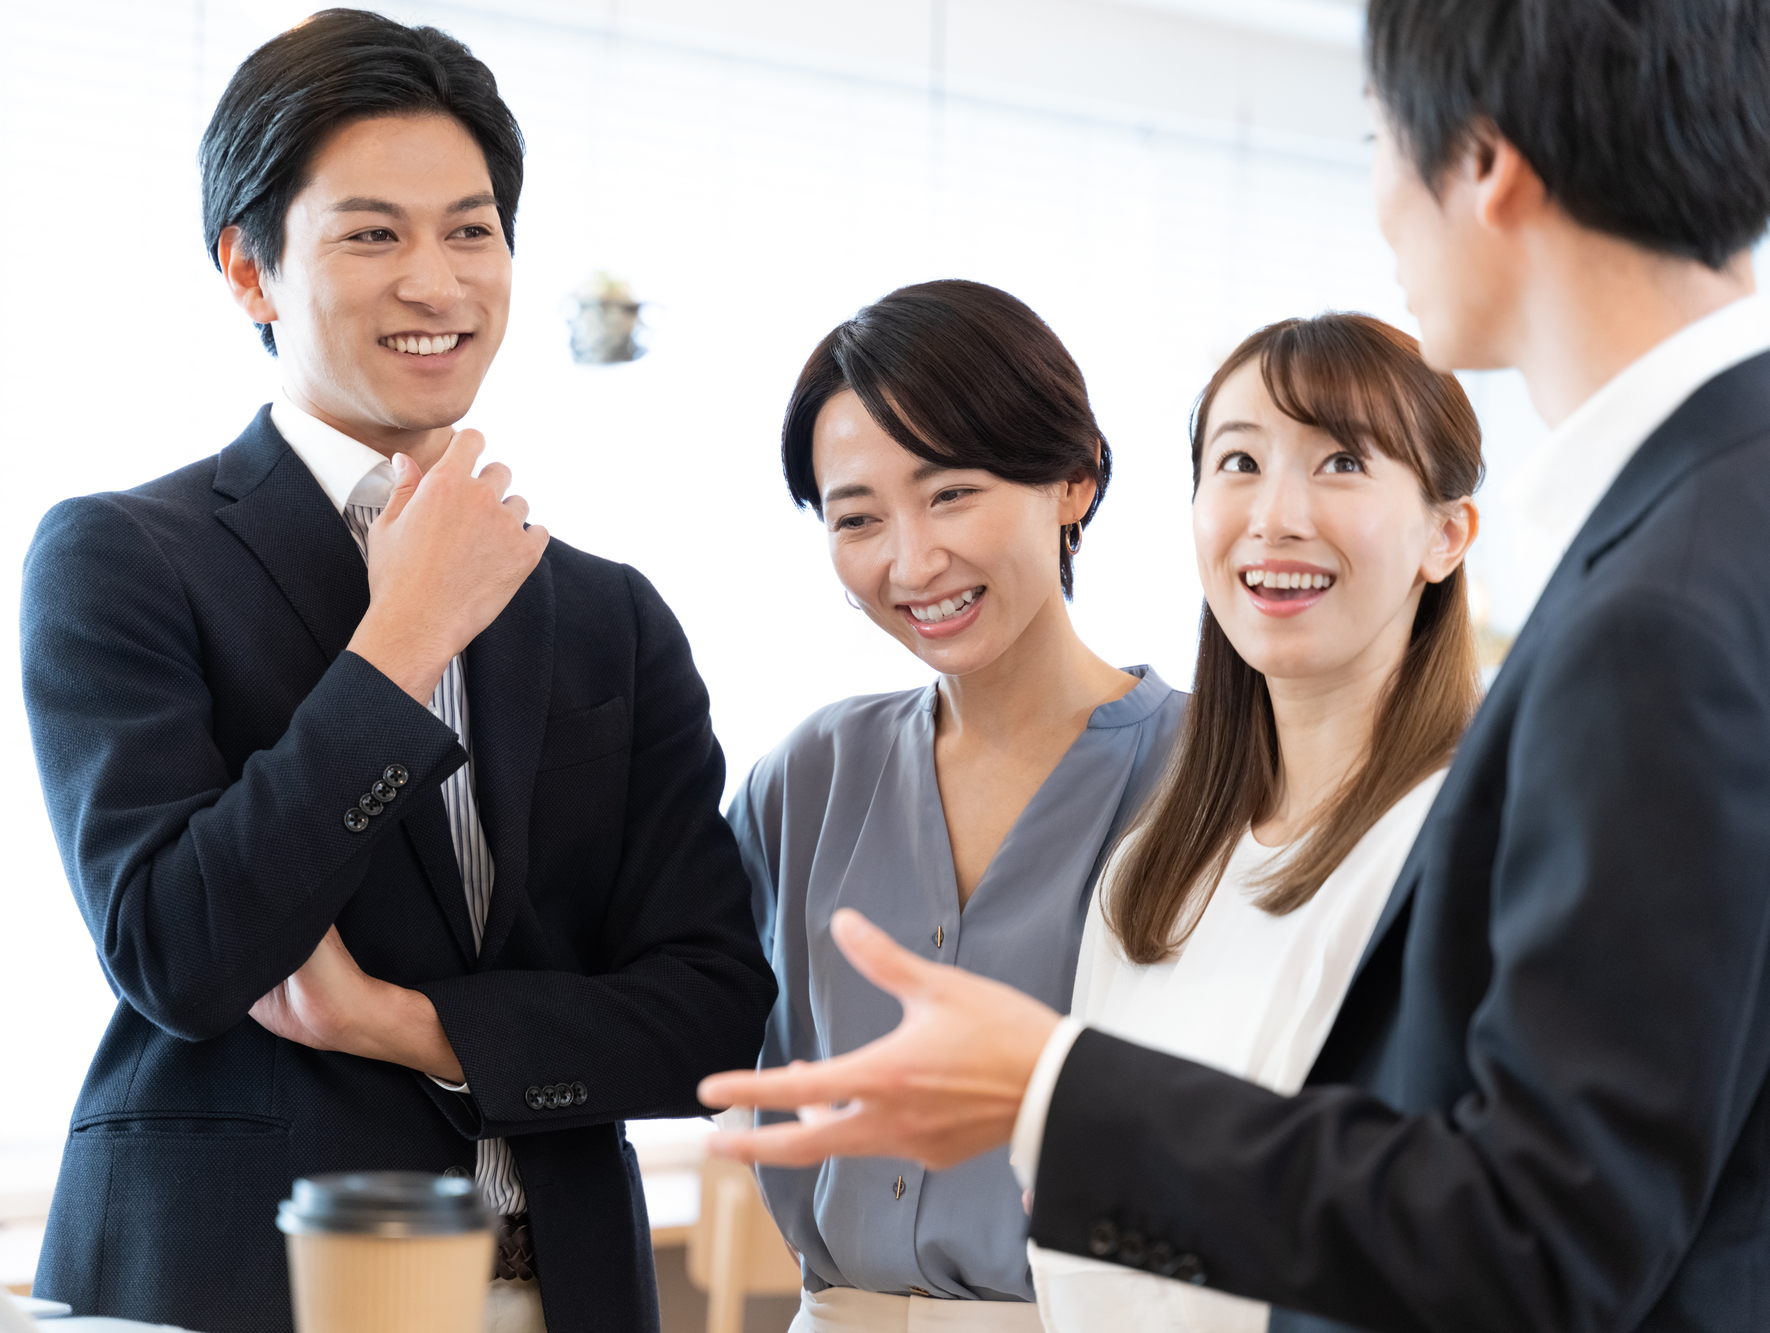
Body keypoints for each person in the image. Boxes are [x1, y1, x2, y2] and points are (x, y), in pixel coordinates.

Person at [697, 0, 1770, 1328]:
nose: (1380, 205)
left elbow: (1540, 1230)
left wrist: (1049, 1089)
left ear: (1482, 161)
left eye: (1378, 139)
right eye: (1240, 464)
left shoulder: (1662, 600)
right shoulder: (1700, 531)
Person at [19, 13, 774, 1333]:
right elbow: (178, 950)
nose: (438, 282)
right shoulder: (122, 557)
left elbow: (711, 1013)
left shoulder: (610, 615)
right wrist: (399, 644)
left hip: (564, 1290)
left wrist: (414, 1024)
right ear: (248, 271)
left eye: (472, 231)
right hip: (251, 1284)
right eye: (373, 234)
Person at [730, 280, 1186, 1330]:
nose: (911, 560)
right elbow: (662, 996)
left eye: (950, 494)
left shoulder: (1217, 773)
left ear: (1073, 481)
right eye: (857, 518)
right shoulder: (804, 776)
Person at [1026, 312, 1479, 1333]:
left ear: (1443, 534)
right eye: (1237, 461)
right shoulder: (1153, 868)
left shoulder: (1457, 850)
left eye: (1340, 462)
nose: (1274, 516)